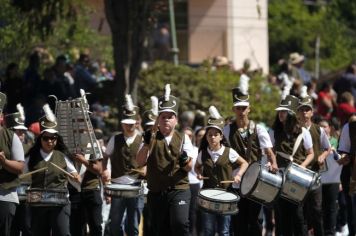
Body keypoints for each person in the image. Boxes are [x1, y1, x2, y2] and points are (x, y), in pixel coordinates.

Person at [137, 84, 194, 236]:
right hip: (157, 192)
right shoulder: (151, 137)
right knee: (161, 230)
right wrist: (146, 145)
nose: (167, 120)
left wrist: (184, 160)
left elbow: (189, 167)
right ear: (159, 119)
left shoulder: (183, 137)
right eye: (163, 117)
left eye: (170, 117)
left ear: (176, 120)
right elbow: (140, 162)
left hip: (179, 189)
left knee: (180, 224)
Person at [223, 79, 278, 236]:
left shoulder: (258, 129)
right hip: (235, 181)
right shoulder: (226, 130)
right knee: (238, 222)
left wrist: (273, 163)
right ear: (234, 109)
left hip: (255, 182)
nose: (241, 111)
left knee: (255, 222)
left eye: (244, 108)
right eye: (238, 108)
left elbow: (269, 151)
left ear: (249, 109)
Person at [26, 104, 80, 236]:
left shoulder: (63, 156)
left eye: (53, 138)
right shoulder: (31, 157)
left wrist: (75, 178)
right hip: (38, 203)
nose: (50, 141)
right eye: (46, 138)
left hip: (60, 203)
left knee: (62, 232)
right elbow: (22, 178)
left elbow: (75, 176)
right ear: (40, 138)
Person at [195, 106, 248, 236]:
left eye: (215, 134)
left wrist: (239, 175)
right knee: (208, 231)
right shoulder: (202, 153)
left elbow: (245, 163)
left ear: (221, 136)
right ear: (206, 137)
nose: (212, 137)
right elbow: (197, 166)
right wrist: (199, 174)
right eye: (210, 135)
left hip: (226, 195)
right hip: (208, 195)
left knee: (224, 231)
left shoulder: (229, 152)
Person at [270, 95, 314, 236]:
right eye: (280, 112)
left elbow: (311, 153)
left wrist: (302, 166)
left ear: (291, 114)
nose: (280, 114)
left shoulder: (303, 132)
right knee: (281, 215)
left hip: (297, 177)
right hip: (279, 177)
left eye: (284, 111)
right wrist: (272, 163)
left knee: (297, 214)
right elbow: (268, 151)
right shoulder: (273, 131)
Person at [103, 94, 144, 236]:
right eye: (126, 123)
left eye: (132, 123)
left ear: (137, 123)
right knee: (115, 224)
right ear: (122, 123)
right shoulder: (115, 138)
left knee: (133, 226)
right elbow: (106, 156)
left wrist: (145, 170)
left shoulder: (143, 139)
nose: (129, 126)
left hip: (136, 185)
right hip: (117, 185)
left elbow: (149, 161)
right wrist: (105, 171)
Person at [297, 95, 331, 236]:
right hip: (298, 174)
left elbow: (327, 148)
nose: (304, 112)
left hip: (314, 174)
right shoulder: (295, 129)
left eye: (307, 109)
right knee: (301, 211)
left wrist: (322, 156)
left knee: (317, 209)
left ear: (312, 112)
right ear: (298, 112)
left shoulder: (318, 130)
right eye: (302, 110)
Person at [0, 92, 25, 236]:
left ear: (1, 117)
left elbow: (20, 167)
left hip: (4, 195)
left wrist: (4, 162)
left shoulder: (11, 136)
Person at [6, 104, 32, 236]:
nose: (21, 135)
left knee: (27, 227)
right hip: (8, 194)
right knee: (11, 229)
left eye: (23, 132)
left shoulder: (30, 149)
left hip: (26, 195)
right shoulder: (3, 149)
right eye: (18, 131)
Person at [69, 144, 103, 235]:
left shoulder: (92, 144)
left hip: (91, 190)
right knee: (76, 228)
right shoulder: (65, 143)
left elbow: (99, 170)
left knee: (96, 225)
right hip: (73, 190)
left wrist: (83, 161)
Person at [318, 119, 342, 236]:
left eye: (325, 126)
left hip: (333, 179)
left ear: (330, 128)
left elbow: (341, 161)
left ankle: (330, 233)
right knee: (319, 208)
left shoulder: (336, 142)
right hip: (319, 180)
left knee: (331, 208)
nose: (323, 129)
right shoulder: (316, 143)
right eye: (320, 127)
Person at [337, 113, 356, 235]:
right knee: (353, 212)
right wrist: (344, 158)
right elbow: (344, 150)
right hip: (352, 174)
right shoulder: (349, 127)